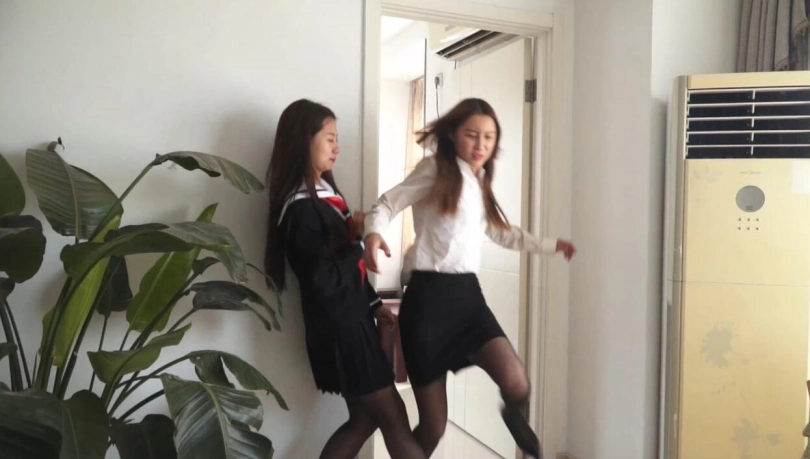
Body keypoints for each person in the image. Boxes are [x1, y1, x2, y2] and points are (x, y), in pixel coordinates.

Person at [362, 98, 576, 459]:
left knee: (516, 381)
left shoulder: (479, 181)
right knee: (434, 425)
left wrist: (550, 245)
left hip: (467, 299)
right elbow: (387, 204)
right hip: (428, 302)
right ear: (453, 134)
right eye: (472, 134)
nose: (481, 145)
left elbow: (501, 233)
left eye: (489, 137)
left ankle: (514, 416)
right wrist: (373, 234)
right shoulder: (435, 170)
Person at [264, 99, 427, 459]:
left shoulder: (322, 198)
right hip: (343, 332)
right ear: (303, 141)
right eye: (330, 139)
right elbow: (324, 279)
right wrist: (359, 241)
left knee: (364, 419)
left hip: (349, 325)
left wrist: (373, 301)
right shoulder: (301, 209)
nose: (337, 148)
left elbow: (340, 269)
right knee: (393, 417)